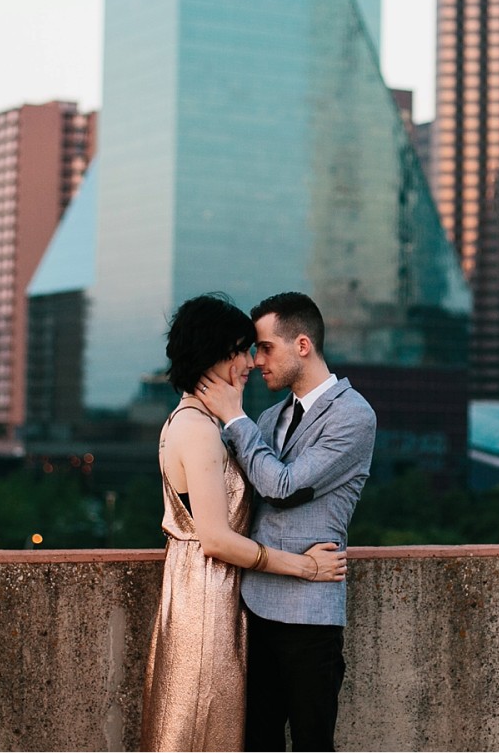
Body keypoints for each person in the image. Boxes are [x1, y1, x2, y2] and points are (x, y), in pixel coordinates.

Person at [140, 293, 347, 753]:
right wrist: (304, 567)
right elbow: (214, 538)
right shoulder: (198, 428)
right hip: (207, 596)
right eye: (241, 349)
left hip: (220, 594)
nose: (250, 362)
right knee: (202, 727)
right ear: (215, 354)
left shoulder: (206, 422)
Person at [194, 291, 376, 753]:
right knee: (257, 741)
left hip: (309, 614)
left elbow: (284, 486)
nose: (255, 362)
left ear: (302, 345)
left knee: (313, 743)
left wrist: (233, 417)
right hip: (253, 605)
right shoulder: (271, 416)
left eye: (264, 347)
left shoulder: (354, 415)